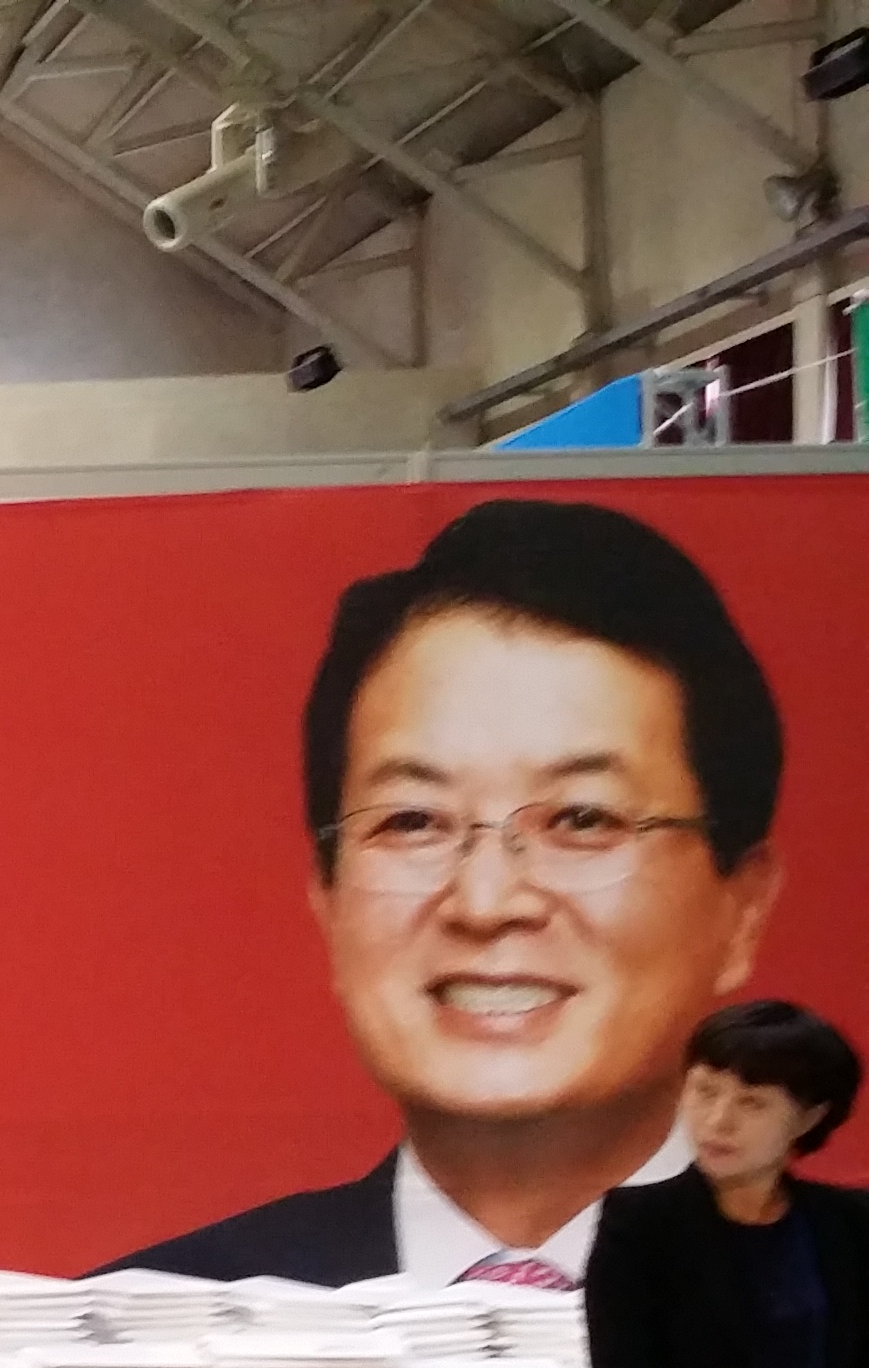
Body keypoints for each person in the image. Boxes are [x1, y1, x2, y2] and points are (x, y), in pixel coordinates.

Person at [115, 498, 786, 1288]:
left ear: (741, 910)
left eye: (581, 819)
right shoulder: (145, 1335)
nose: (486, 902)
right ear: (327, 901)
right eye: (413, 821)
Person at [583, 1000, 869, 1368]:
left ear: (809, 1116)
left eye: (752, 1103)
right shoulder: (640, 1223)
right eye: (705, 1091)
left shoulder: (854, 1223)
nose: (718, 1121)